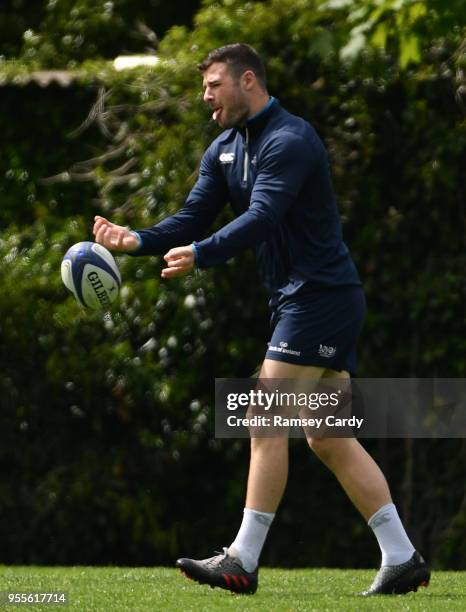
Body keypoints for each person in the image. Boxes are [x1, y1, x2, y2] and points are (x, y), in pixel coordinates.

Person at [93, 43, 430, 596]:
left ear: (248, 81)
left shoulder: (290, 140)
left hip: (320, 298)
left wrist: (202, 254)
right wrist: (137, 241)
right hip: (304, 301)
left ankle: (242, 559)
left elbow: (262, 216)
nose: (206, 98)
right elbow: (193, 215)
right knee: (328, 436)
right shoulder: (224, 148)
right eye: (204, 88)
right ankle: (402, 556)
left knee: (264, 412)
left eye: (214, 86)